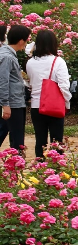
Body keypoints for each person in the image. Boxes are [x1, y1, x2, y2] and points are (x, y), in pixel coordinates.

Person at [26, 29, 71, 158]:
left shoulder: (30, 62)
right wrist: (67, 103)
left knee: (40, 139)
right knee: (57, 140)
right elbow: (64, 86)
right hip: (54, 105)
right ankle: (56, 168)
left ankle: (40, 167)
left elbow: (31, 82)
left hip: (36, 105)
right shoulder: (58, 62)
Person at [0, 25, 31, 153]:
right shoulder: (7, 57)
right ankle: (17, 165)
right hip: (12, 103)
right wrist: (5, 104)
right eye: (27, 40)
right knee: (17, 139)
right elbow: (3, 81)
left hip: (13, 101)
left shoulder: (7, 53)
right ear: (21, 41)